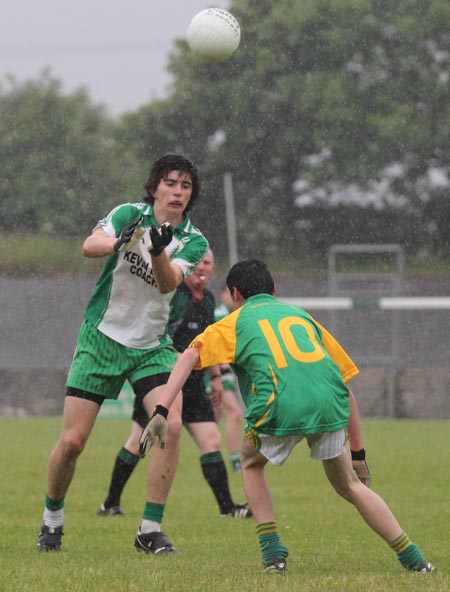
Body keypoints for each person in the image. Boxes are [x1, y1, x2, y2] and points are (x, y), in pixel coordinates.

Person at [139, 259, 436, 575]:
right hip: (329, 403)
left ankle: (273, 554)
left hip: (280, 404)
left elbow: (189, 355)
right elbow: (344, 386)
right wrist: (359, 453)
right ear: (275, 290)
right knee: (350, 484)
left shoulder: (234, 322)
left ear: (235, 294)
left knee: (252, 464)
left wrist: (161, 409)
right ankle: (414, 559)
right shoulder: (301, 316)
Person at [37, 154, 209, 555]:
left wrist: (158, 251)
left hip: (151, 347)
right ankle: (52, 518)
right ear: (154, 188)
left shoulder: (194, 241)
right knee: (74, 441)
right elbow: (89, 246)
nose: (178, 192)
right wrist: (120, 241)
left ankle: (149, 530)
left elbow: (167, 285)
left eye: (185, 186)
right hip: (102, 338)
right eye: (170, 183)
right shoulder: (129, 213)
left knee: (172, 424)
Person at [97, 249, 252, 519]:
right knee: (137, 443)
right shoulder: (172, 296)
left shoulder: (208, 301)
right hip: (161, 382)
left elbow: (208, 343)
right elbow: (156, 337)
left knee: (212, 440)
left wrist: (215, 378)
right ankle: (110, 502)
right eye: (199, 262)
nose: (204, 267)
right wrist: (179, 359)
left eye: (209, 263)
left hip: (193, 384)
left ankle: (228, 508)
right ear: (188, 266)